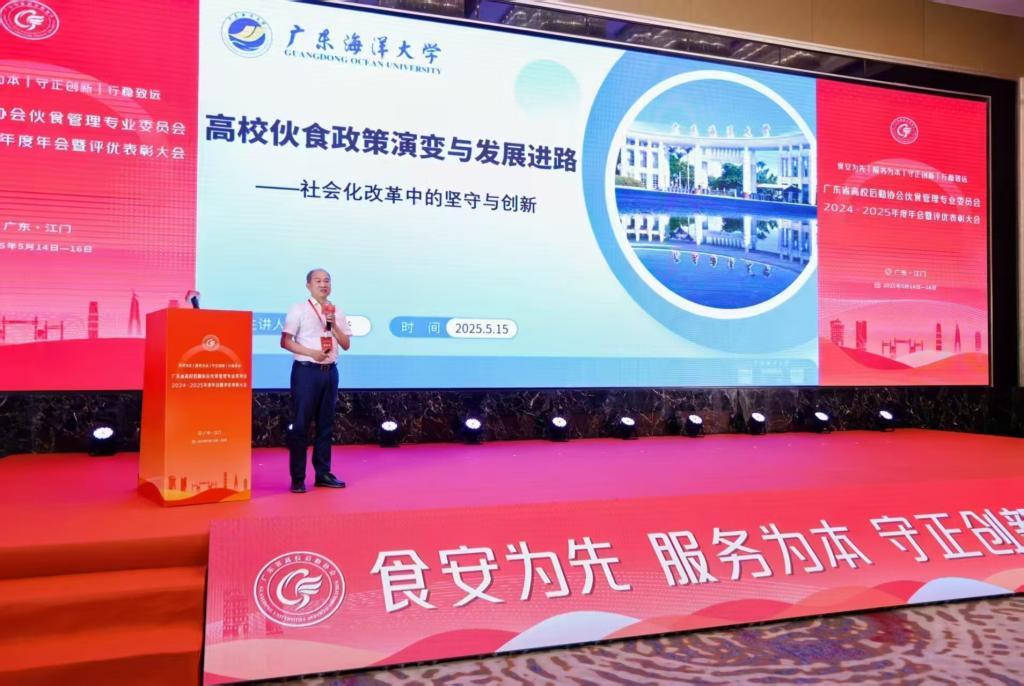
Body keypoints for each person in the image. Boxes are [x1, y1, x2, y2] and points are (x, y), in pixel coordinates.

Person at [280, 268, 352, 493]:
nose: (323, 284)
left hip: (330, 372)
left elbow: (346, 344)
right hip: (306, 372)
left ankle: (323, 473)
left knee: (326, 425)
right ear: (308, 285)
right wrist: (311, 353)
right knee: (301, 425)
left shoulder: (337, 311)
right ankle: (298, 478)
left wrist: (334, 323)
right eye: (318, 281)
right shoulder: (299, 309)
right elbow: (285, 341)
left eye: (327, 280)